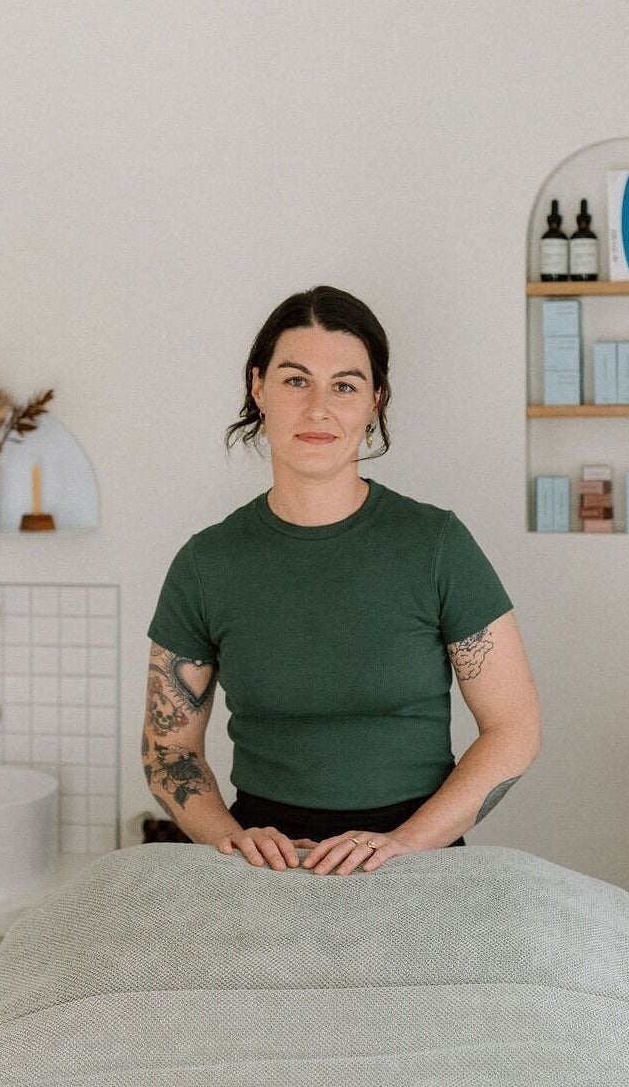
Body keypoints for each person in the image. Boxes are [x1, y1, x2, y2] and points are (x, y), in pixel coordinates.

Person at [143, 285, 541, 876]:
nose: (318, 408)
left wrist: (407, 842)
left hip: (417, 862)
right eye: (296, 380)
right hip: (263, 869)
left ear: (375, 401)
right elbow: (167, 749)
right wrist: (229, 840)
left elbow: (514, 729)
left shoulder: (437, 547)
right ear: (259, 387)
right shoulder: (206, 564)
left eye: (345, 386)